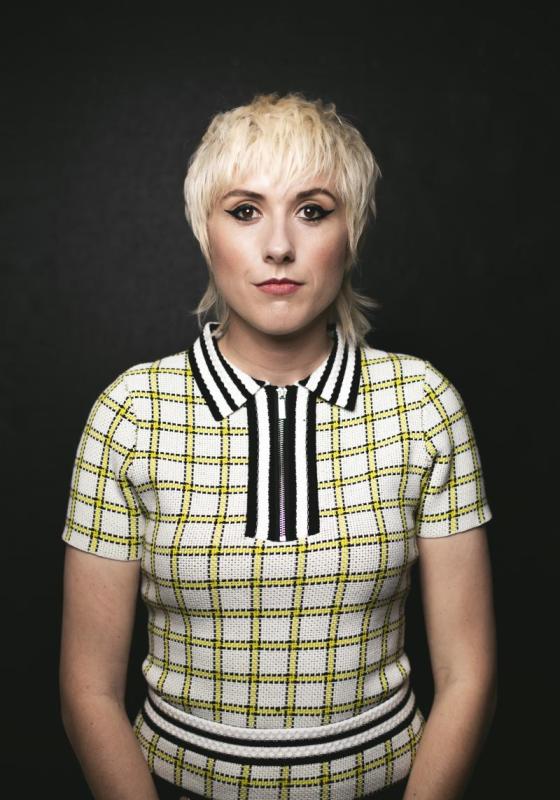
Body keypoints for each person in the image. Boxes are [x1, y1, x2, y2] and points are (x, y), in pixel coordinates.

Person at [59, 92, 497, 800]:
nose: (278, 247)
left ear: (351, 230)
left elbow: (470, 675)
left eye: (313, 210)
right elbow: (87, 689)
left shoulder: (424, 406)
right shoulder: (130, 415)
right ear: (206, 231)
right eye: (244, 210)